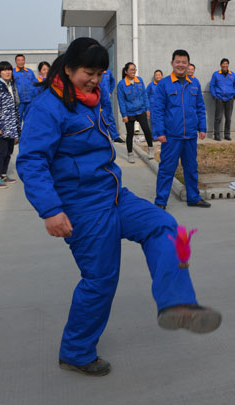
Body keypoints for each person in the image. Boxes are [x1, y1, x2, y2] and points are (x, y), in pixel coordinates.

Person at [16, 38, 222, 377]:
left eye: (100, 73)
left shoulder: (91, 99)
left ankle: (176, 303)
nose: (95, 80)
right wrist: (50, 210)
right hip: (83, 207)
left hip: (114, 195)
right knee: (100, 280)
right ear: (69, 68)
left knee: (163, 225)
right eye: (89, 73)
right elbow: (32, 161)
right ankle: (76, 352)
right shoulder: (47, 107)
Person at [152, 49, 211, 209]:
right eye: (177, 62)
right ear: (172, 63)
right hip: (171, 136)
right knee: (166, 169)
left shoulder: (194, 83)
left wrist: (202, 127)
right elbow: (158, 110)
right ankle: (160, 202)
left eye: (184, 62)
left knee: (191, 168)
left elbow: (200, 107)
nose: (181, 65)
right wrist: (160, 132)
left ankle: (193, 198)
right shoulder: (164, 84)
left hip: (190, 135)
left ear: (188, 64)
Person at [0, 61, 20, 188]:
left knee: (8, 152)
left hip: (11, 126)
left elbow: (14, 107)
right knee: (1, 153)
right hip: (1, 126)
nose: (7, 72)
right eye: (4, 70)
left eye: (9, 70)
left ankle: (3, 175)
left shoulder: (10, 85)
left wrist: (17, 127)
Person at [116, 62, 154, 163]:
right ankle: (130, 154)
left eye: (135, 69)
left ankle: (151, 149)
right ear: (126, 71)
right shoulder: (121, 84)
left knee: (146, 130)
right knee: (130, 134)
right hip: (129, 112)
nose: (134, 71)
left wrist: (147, 108)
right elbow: (121, 101)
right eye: (132, 70)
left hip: (141, 110)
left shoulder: (139, 80)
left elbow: (144, 95)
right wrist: (124, 115)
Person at [209, 58, 235, 141]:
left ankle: (227, 134)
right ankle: (216, 135)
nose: (225, 65)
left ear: (228, 65)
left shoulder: (232, 75)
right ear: (220, 65)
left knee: (228, 118)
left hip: (230, 99)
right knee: (218, 118)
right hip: (219, 98)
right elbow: (212, 85)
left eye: (226, 64)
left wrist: (234, 95)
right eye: (223, 64)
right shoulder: (216, 74)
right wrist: (214, 96)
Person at [99, 68, 124, 144]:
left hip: (106, 100)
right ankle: (103, 137)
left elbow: (112, 81)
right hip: (97, 100)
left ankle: (115, 136)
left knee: (110, 118)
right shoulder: (94, 71)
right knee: (100, 118)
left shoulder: (107, 72)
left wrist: (110, 91)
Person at [13, 54, 38, 124]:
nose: (20, 62)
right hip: (19, 101)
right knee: (18, 120)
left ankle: (27, 131)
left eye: (22, 60)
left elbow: (35, 84)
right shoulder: (13, 72)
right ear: (16, 62)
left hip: (30, 100)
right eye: (18, 60)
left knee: (29, 120)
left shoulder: (30, 72)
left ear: (24, 61)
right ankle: (18, 131)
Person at [146, 69, 163, 140]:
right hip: (153, 107)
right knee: (154, 122)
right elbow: (146, 96)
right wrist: (147, 108)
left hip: (162, 107)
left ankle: (162, 135)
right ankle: (155, 137)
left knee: (162, 121)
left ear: (162, 76)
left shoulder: (164, 85)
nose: (157, 76)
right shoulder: (151, 85)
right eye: (156, 75)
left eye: (159, 75)